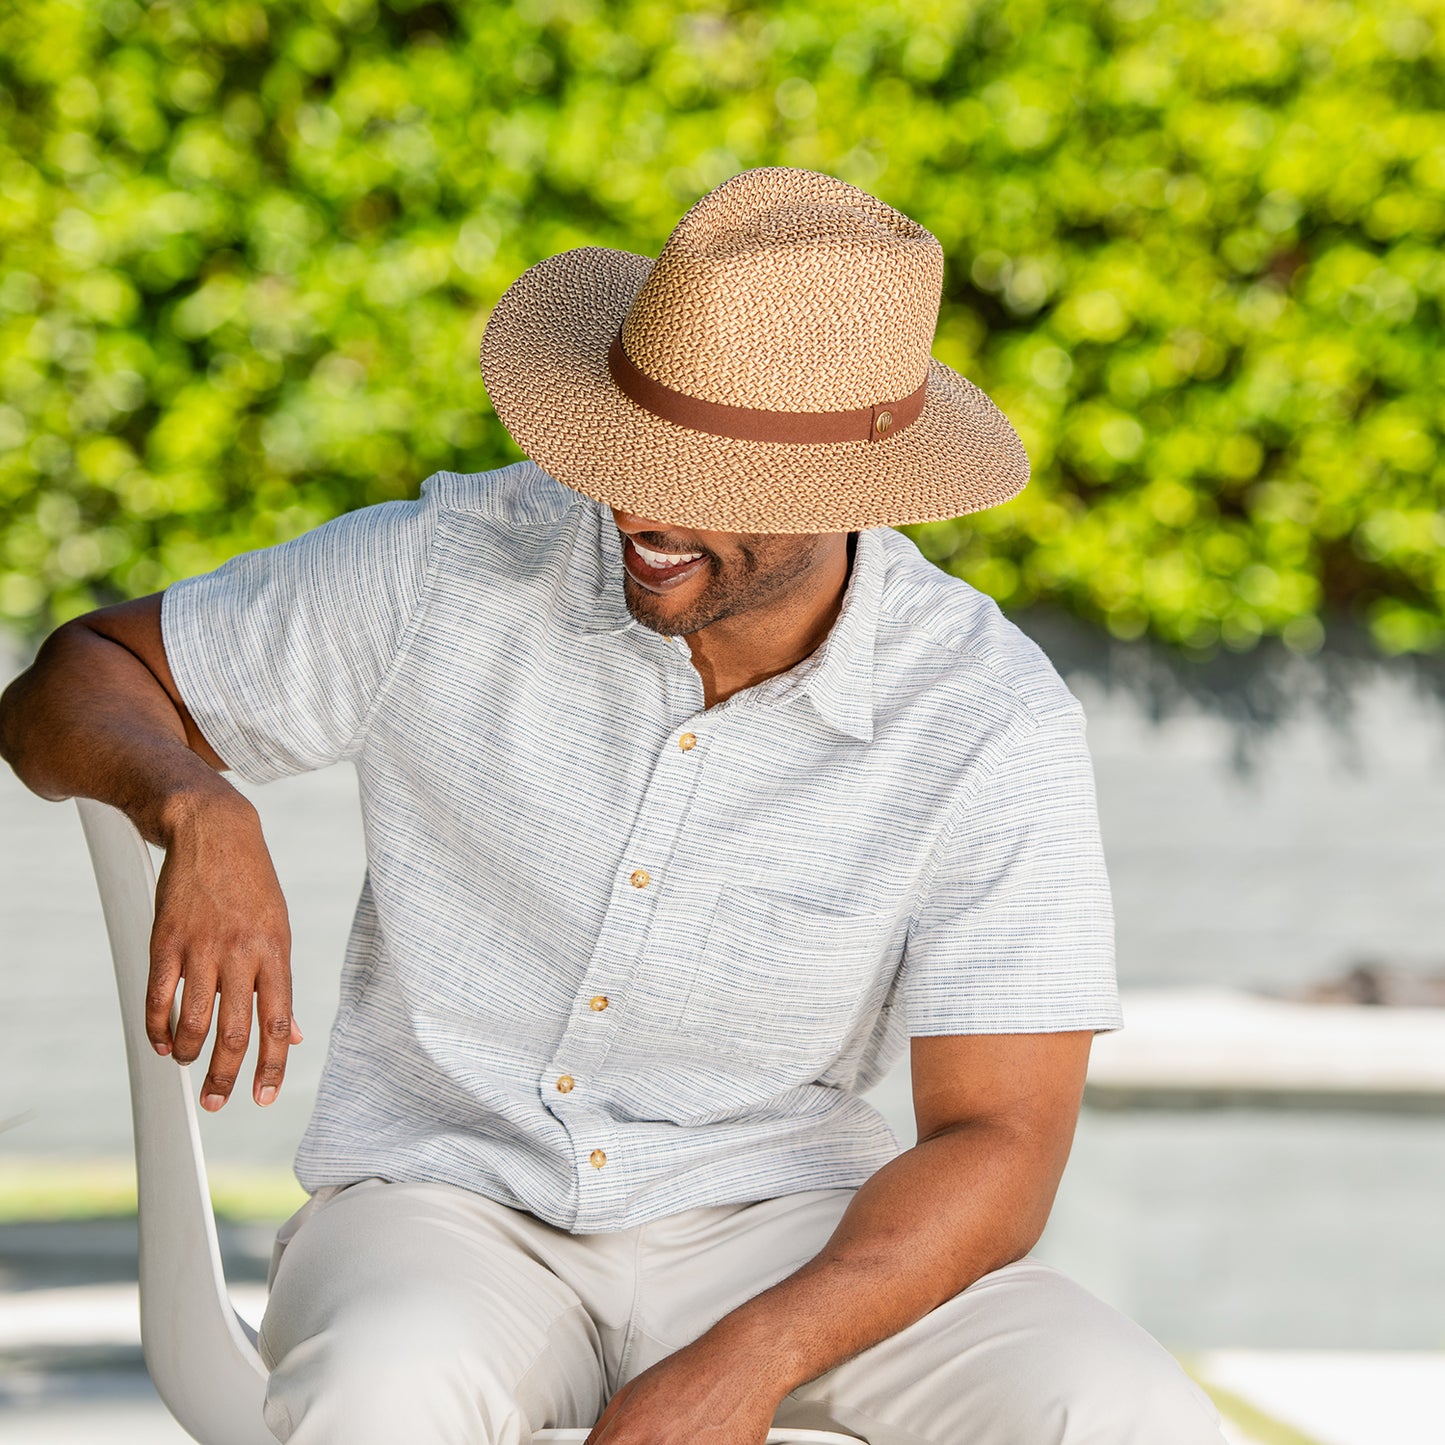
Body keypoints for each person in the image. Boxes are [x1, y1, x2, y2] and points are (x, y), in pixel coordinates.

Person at [0, 166, 1224, 1444]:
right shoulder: (451, 564)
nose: (637, 504)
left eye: (707, 476)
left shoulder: (984, 715)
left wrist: (752, 1354)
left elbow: (1000, 1137)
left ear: (847, 493)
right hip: (444, 1211)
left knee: (1121, 1408)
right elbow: (71, 683)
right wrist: (193, 800)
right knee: (382, 1396)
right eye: (626, 447)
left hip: (790, 1228)